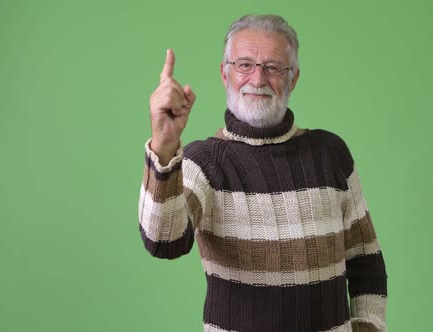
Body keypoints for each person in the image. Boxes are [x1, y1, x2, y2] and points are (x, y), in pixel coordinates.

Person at [138, 14, 388, 332]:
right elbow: (163, 241)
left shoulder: (330, 153)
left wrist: (369, 327)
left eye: (273, 67)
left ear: (293, 78)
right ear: (224, 74)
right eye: (244, 65)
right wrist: (164, 144)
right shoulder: (203, 161)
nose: (257, 79)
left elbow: (366, 261)